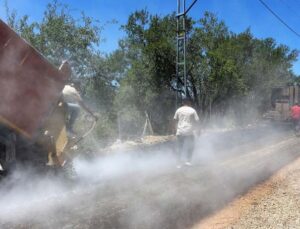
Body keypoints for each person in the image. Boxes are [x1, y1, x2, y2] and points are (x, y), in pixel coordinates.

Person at [173, 98, 199, 168]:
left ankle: (178, 164)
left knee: (179, 147)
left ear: (183, 103)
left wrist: (175, 130)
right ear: (189, 102)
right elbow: (197, 121)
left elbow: (174, 120)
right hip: (189, 132)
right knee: (191, 146)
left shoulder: (178, 110)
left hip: (180, 131)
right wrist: (199, 130)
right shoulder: (192, 110)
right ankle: (188, 161)